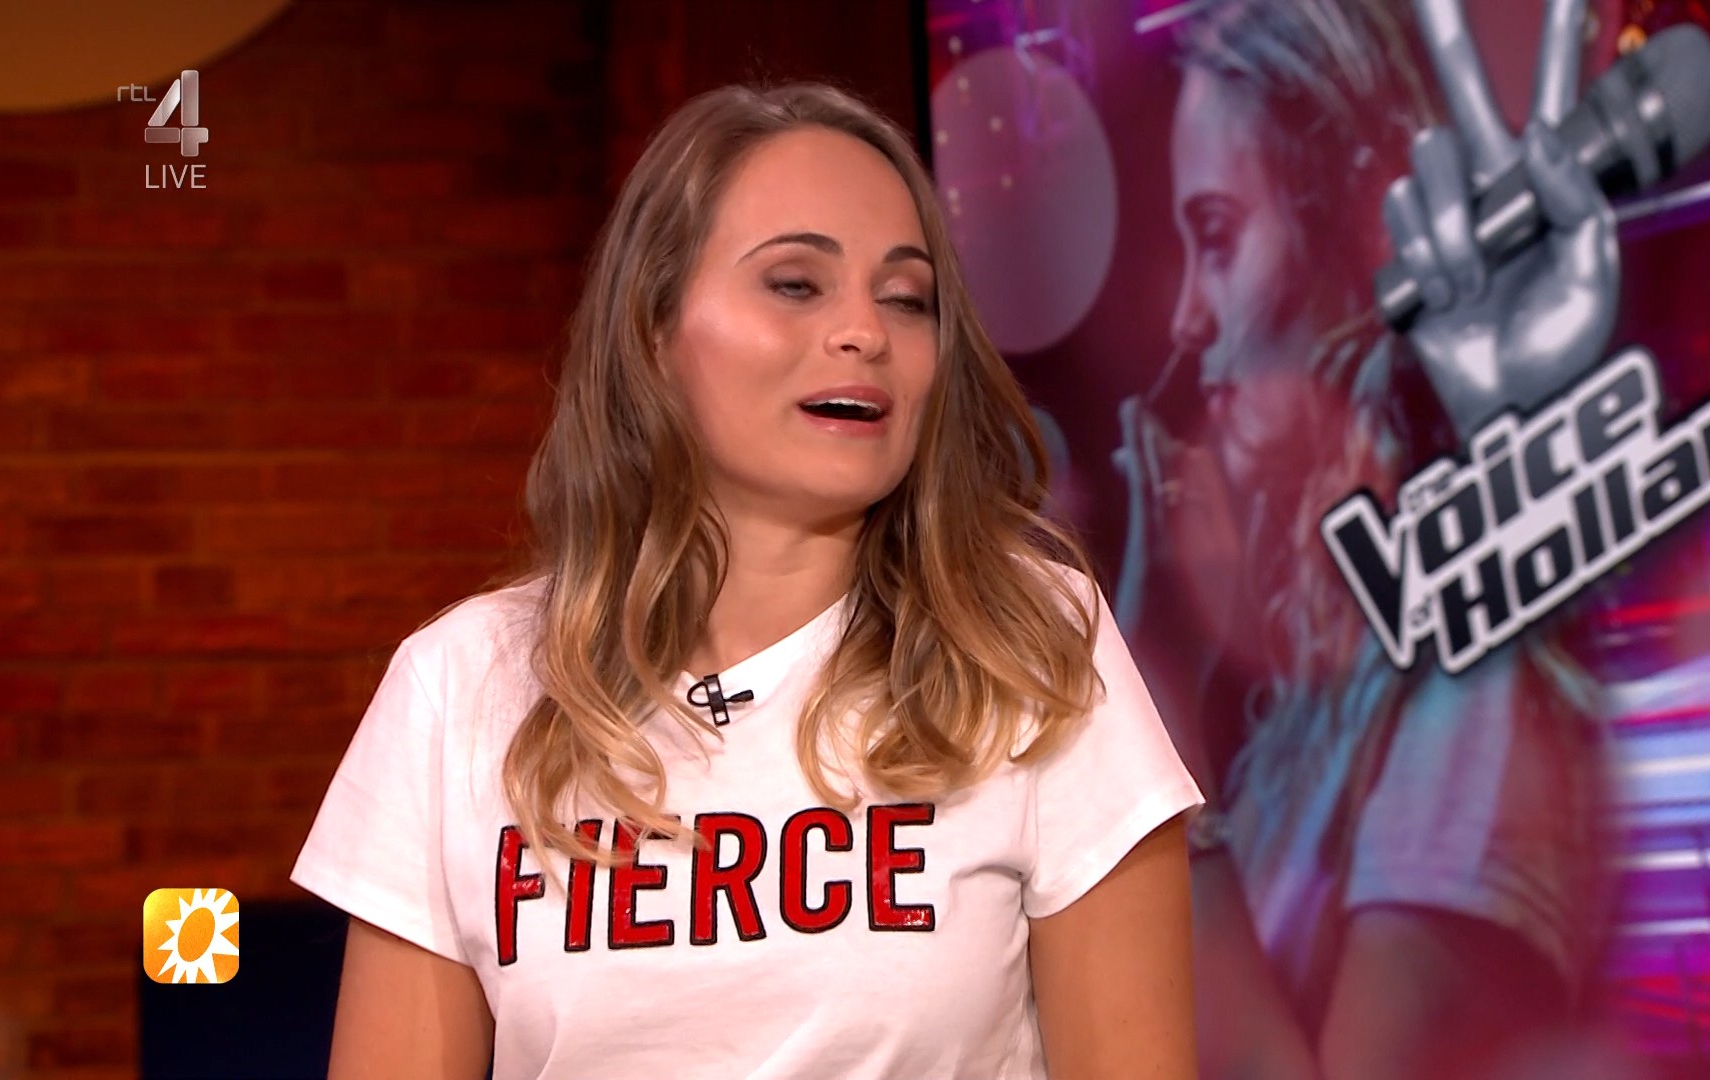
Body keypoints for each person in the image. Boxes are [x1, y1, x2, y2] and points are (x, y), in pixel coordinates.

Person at [290, 82, 1204, 1080]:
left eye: (907, 298)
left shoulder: (1030, 644)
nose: (866, 332)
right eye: (796, 284)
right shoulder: (462, 685)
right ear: (653, 331)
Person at [1111, 1, 1615, 1077]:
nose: (1187, 319)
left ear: (1358, 229)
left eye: (1218, 237)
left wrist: (1147, 708)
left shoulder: (1477, 700)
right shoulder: (1323, 689)